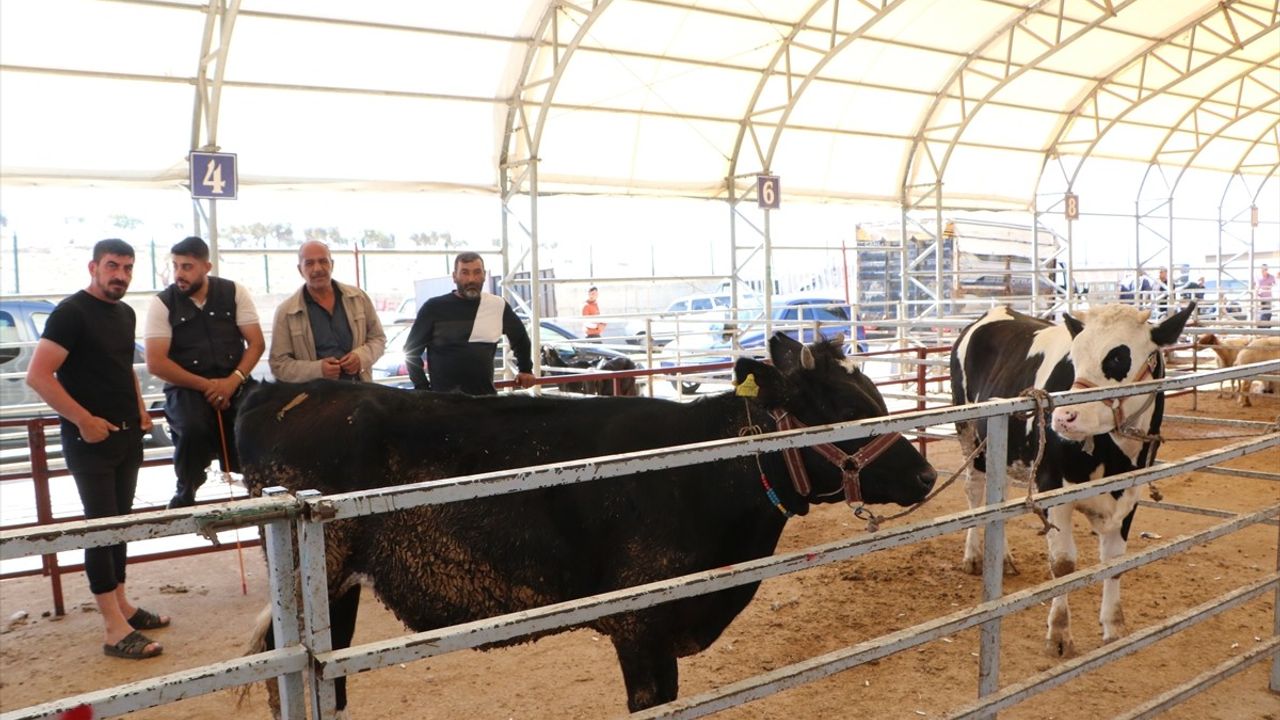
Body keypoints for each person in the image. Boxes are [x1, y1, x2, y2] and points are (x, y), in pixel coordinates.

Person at [25, 239, 170, 660]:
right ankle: (111, 628)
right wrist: (83, 420)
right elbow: (39, 375)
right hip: (89, 441)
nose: (120, 275)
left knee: (120, 524)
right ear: (93, 267)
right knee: (101, 527)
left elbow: (123, 367)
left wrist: (142, 410)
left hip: (127, 435)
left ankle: (122, 606)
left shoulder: (124, 312)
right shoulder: (71, 313)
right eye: (112, 266)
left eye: (127, 268)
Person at [144, 237, 265, 509]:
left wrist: (232, 381)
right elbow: (156, 362)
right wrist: (209, 386)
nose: (179, 274)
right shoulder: (162, 304)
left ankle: (262, 483)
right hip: (186, 385)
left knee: (261, 420)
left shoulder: (235, 292)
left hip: (236, 381)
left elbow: (256, 343)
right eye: (175, 266)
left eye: (187, 266)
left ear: (206, 266)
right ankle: (187, 486)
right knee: (191, 428)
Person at [403, 252, 535, 395]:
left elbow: (521, 339)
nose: (471, 279)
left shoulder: (497, 306)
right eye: (465, 273)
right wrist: (423, 389)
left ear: (484, 275)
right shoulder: (433, 308)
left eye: (477, 272)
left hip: (485, 400)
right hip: (444, 404)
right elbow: (411, 352)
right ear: (454, 276)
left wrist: (525, 369)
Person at [269, 241, 386, 382]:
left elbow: (378, 339)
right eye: (309, 263)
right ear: (300, 270)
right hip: (315, 399)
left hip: (360, 391)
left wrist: (361, 358)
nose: (317, 268)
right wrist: (317, 371)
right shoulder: (286, 312)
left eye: (323, 261)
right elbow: (278, 365)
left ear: (332, 264)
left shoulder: (358, 298)